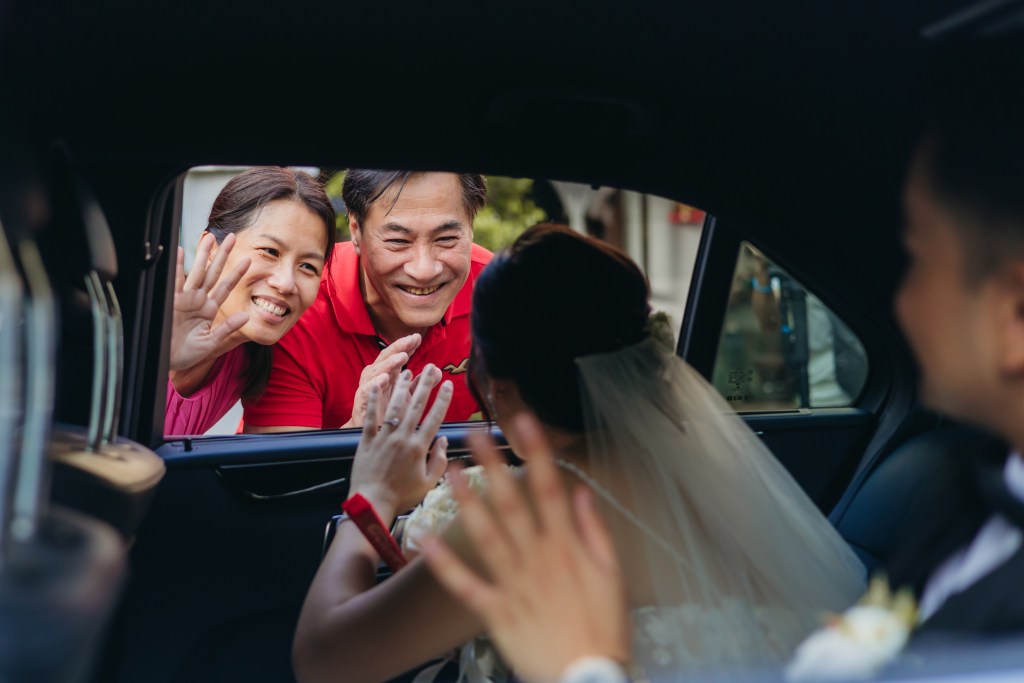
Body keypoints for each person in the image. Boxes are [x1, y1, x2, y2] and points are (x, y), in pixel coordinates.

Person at [423, 43, 1024, 682]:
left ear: (1013, 315)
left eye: (921, 261)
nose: (899, 302)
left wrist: (582, 668)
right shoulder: (964, 514)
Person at [291, 224, 865, 683]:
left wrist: (371, 496)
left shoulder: (535, 516)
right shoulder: (711, 475)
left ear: (500, 385)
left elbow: (324, 662)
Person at [241, 170, 491, 432]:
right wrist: (358, 428)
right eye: (398, 241)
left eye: (446, 239)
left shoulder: (498, 294)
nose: (424, 270)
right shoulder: (296, 308)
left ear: (470, 228)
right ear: (356, 231)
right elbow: (281, 457)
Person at [165, 166, 336, 436]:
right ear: (211, 248)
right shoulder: (145, 322)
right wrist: (163, 363)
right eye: (269, 251)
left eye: (307, 266)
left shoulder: (248, 359)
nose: (286, 283)